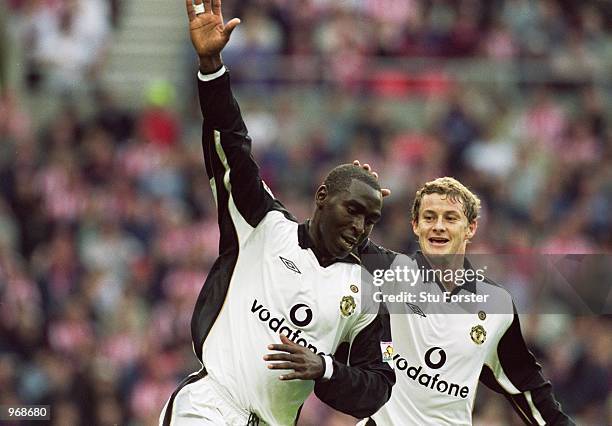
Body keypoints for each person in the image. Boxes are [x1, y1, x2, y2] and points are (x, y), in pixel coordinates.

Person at [160, 1, 395, 424]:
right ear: (322, 196)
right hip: (210, 406)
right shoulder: (262, 225)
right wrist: (211, 65)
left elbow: (376, 388)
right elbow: (232, 146)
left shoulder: (363, 291)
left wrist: (325, 368)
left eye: (370, 219)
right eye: (353, 209)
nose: (360, 225)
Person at [359, 177, 574, 425]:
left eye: (450, 218)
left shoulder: (495, 305)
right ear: (415, 226)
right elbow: (341, 240)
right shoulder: (391, 271)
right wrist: (354, 194)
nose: (438, 226)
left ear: (470, 228)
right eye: (429, 217)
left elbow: (526, 384)